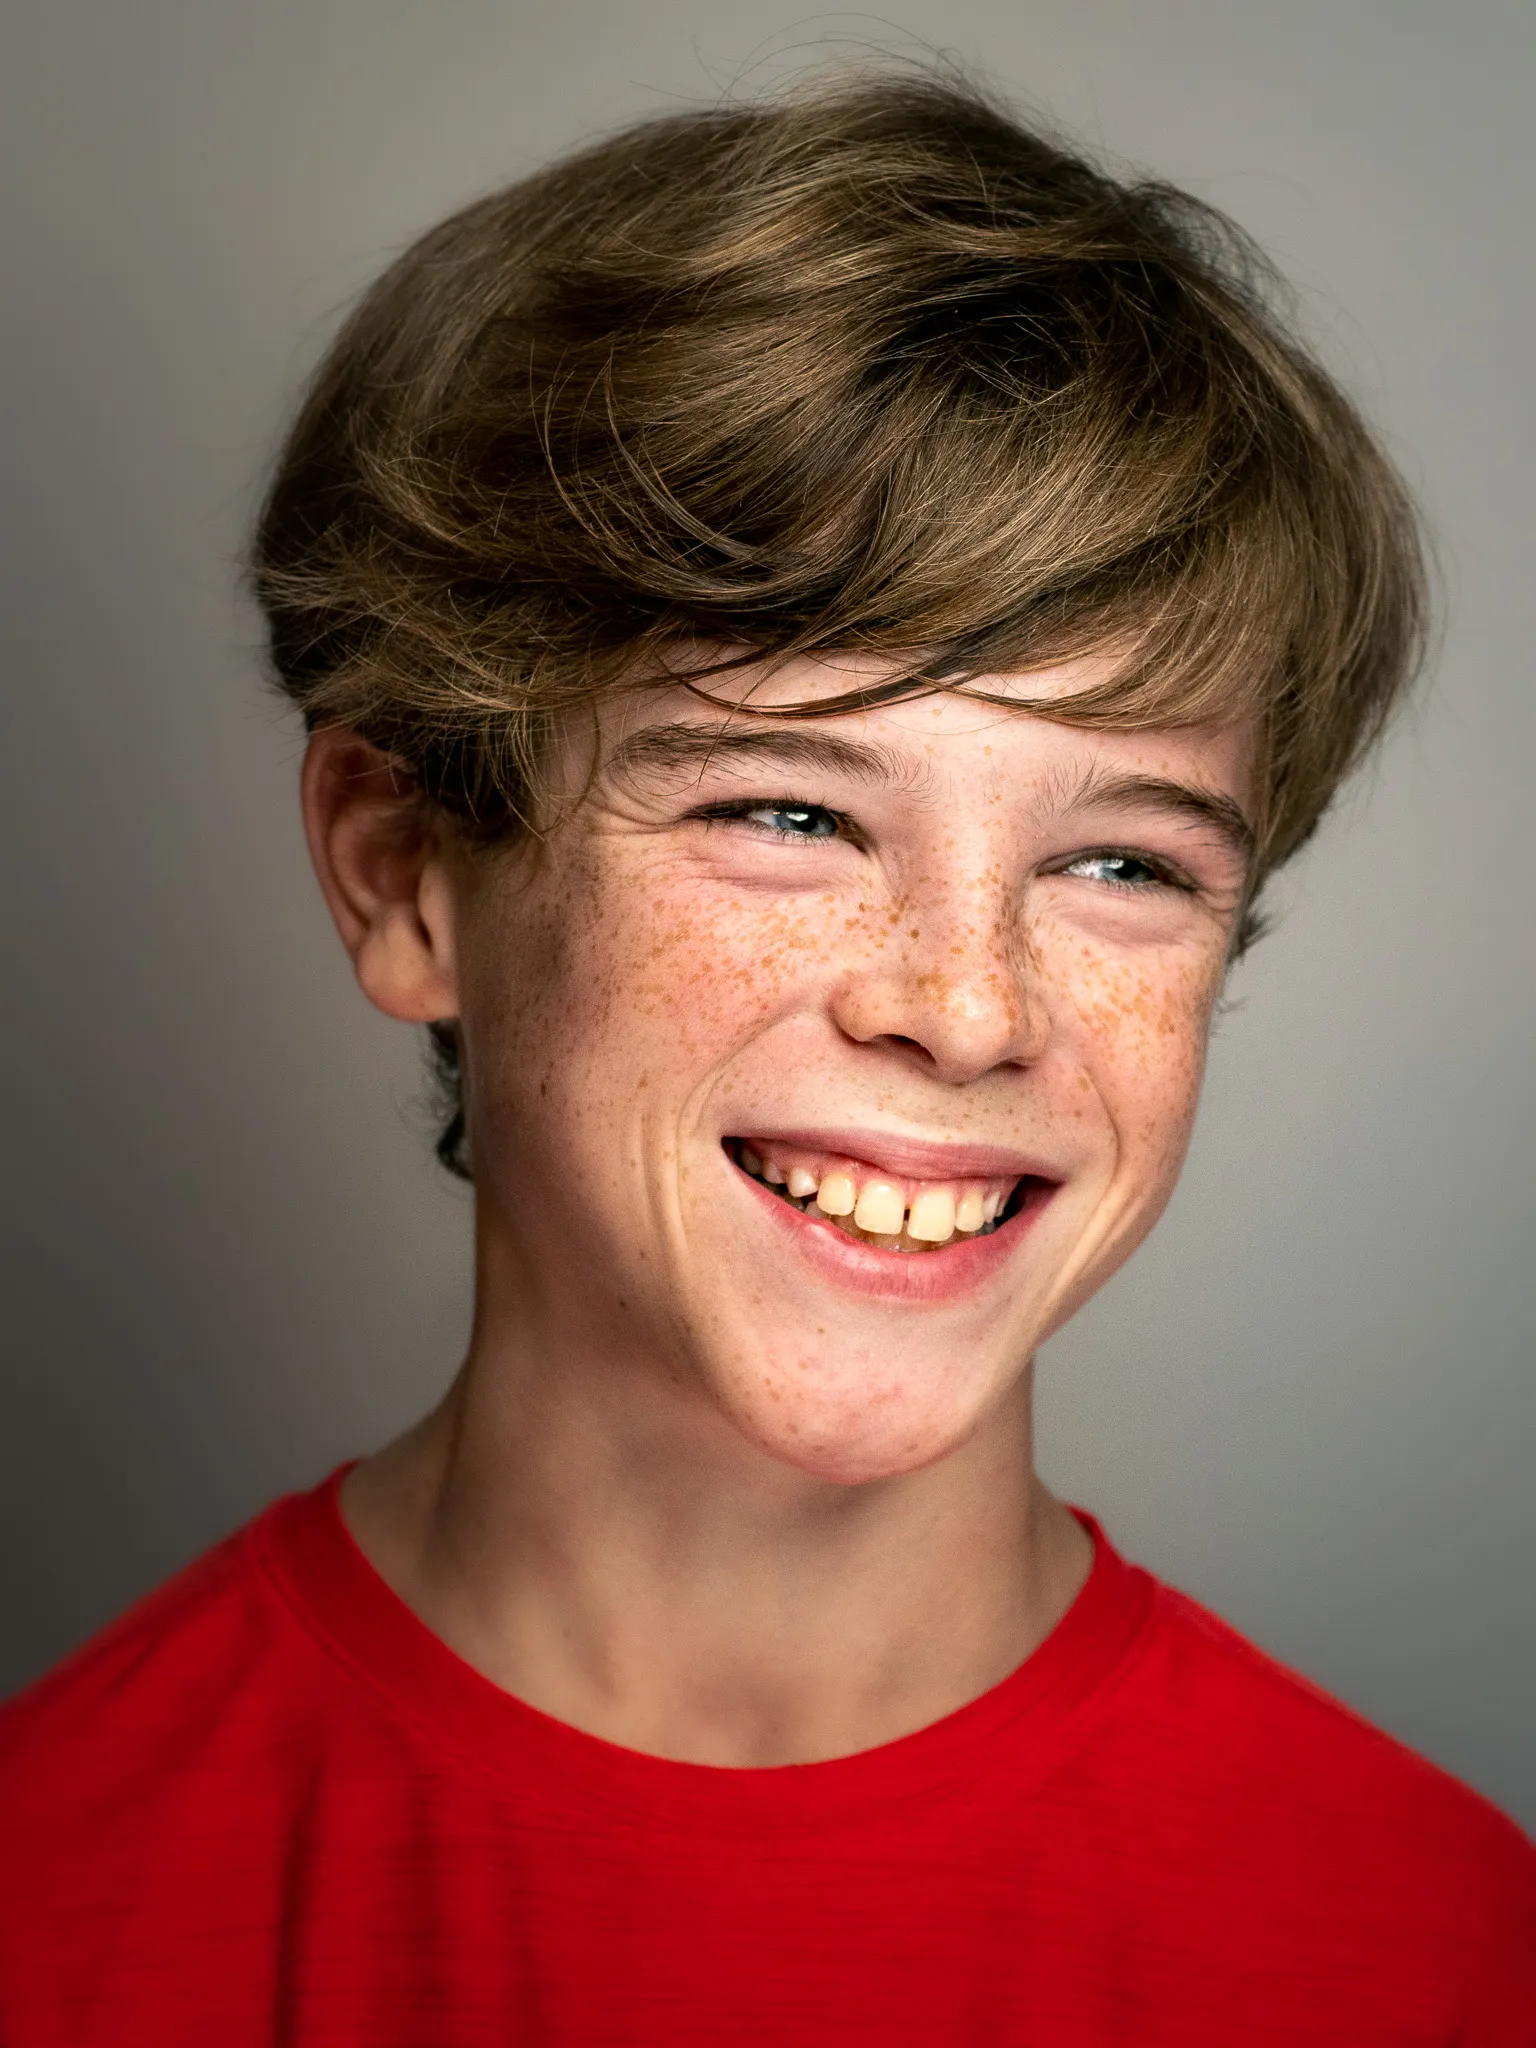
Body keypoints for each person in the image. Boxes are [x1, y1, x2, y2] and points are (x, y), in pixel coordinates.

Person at [0, 67, 1530, 2047]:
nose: (967, 1004)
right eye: (791, 813)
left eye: (1123, 858)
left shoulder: (1447, 1960)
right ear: (406, 877)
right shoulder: (55, 1911)